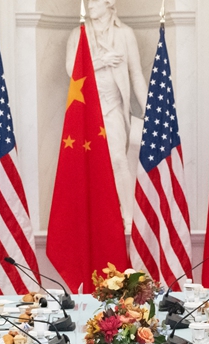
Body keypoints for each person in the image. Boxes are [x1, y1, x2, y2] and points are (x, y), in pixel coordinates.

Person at [65, 0, 147, 228]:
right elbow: (72, 69)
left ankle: (129, 218)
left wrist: (148, 111)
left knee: (118, 159)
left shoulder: (125, 34)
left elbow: (136, 74)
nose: (89, 5)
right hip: (85, 109)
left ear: (109, 3)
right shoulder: (77, 33)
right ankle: (88, 219)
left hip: (113, 106)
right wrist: (102, 61)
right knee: (85, 165)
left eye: (94, 1)